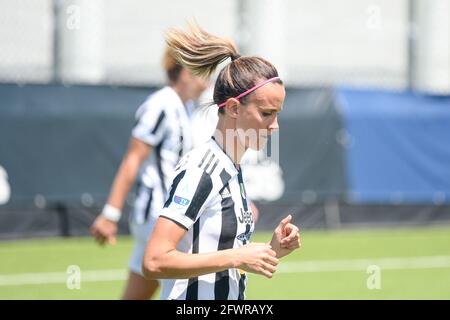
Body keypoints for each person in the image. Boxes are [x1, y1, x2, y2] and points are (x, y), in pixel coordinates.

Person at [142, 23, 301, 300]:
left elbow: (217, 256)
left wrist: (271, 250)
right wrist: (237, 256)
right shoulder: (202, 169)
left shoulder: (231, 167)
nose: (275, 126)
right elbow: (154, 261)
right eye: (266, 113)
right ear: (233, 108)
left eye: (277, 114)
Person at [90, 47, 209, 300]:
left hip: (163, 216)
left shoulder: (186, 108)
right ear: (186, 72)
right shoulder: (160, 105)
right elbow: (133, 157)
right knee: (187, 294)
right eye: (202, 71)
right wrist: (110, 213)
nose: (207, 79)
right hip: (160, 216)